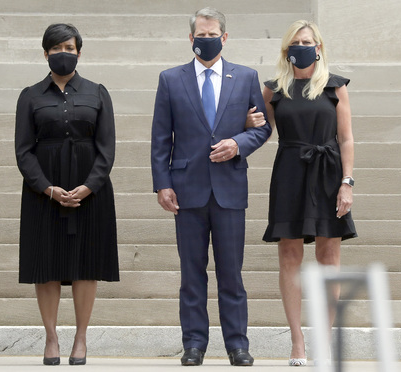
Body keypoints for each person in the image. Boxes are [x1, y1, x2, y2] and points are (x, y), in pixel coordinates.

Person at [150, 7, 272, 367]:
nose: (207, 40)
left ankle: (237, 344)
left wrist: (238, 143)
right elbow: (160, 138)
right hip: (186, 190)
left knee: (231, 273)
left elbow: (262, 127)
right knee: (191, 274)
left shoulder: (246, 77)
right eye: (201, 35)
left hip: (230, 188)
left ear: (225, 36)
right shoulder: (171, 79)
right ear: (191, 39)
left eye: (213, 33)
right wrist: (162, 184)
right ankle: (194, 344)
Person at [254, 20, 358, 366]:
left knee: (329, 258)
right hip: (289, 173)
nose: (302, 46)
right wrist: (247, 124)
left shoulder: (334, 86)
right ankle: (297, 342)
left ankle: (323, 340)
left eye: (307, 41)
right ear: (287, 49)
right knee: (290, 258)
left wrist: (347, 182)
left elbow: (346, 138)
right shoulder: (274, 89)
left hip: (328, 173)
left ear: (318, 47)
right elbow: (261, 132)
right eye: (296, 42)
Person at [14, 23, 119, 366]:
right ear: (45, 53)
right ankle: (51, 337)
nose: (64, 54)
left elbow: (107, 149)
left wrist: (88, 187)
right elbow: (23, 150)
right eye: (57, 49)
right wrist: (48, 188)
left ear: (79, 51)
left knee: (85, 265)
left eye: (70, 48)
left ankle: (81, 338)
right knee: (46, 265)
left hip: (90, 190)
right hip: (42, 191)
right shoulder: (30, 95)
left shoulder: (97, 92)